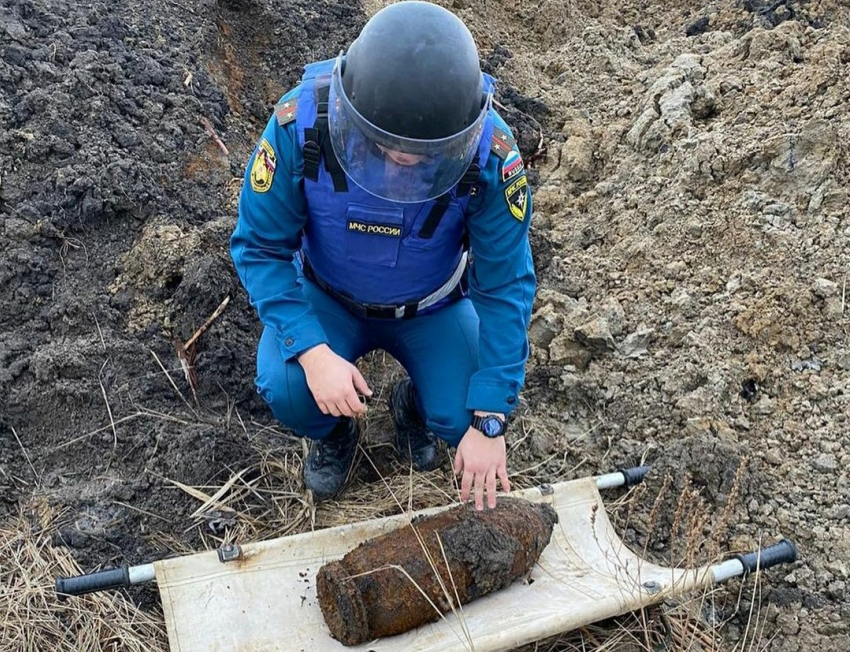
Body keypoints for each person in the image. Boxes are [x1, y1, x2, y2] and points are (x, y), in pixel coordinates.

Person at [230, 1, 535, 511]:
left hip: (432, 306)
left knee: (465, 413)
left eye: (423, 156)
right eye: (385, 147)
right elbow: (259, 247)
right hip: (329, 299)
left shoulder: (491, 156)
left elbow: (505, 285)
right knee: (288, 388)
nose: (403, 162)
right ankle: (334, 435)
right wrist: (310, 350)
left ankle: (414, 408)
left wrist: (490, 419)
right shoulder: (299, 126)